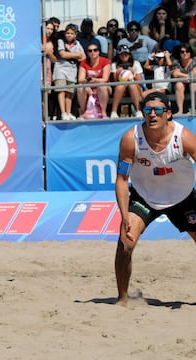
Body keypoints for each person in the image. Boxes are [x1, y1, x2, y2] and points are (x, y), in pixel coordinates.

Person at [114, 91, 196, 306]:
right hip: (145, 197)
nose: (152, 115)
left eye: (158, 110)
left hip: (183, 198)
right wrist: (124, 216)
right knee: (125, 243)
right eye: (147, 110)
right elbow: (122, 179)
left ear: (168, 113)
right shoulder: (131, 139)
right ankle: (122, 298)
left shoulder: (184, 137)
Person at [53, 23, 85, 120]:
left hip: (72, 69)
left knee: (69, 92)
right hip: (61, 68)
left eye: (72, 33)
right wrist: (76, 55)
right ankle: (63, 113)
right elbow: (62, 54)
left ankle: (68, 112)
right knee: (61, 90)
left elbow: (83, 57)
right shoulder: (60, 41)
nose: (69, 35)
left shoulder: (77, 43)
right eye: (67, 33)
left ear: (75, 35)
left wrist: (72, 55)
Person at [77, 41, 111, 119]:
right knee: (80, 87)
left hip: (104, 87)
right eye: (90, 51)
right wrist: (88, 83)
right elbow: (80, 79)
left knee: (102, 86)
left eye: (95, 50)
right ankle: (82, 112)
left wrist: (94, 80)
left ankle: (104, 113)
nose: (93, 52)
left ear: (98, 52)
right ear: (87, 53)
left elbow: (105, 79)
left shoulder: (105, 61)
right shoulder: (84, 62)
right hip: (89, 86)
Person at [110, 45, 144, 119]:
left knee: (132, 85)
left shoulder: (136, 63)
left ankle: (138, 111)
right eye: (122, 54)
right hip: (121, 87)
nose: (124, 56)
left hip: (134, 86)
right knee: (120, 86)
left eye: (126, 54)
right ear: (119, 55)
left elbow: (139, 81)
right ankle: (114, 112)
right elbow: (114, 81)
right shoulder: (114, 65)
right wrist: (117, 74)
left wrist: (133, 73)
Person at [171, 42, 196, 115]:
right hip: (182, 82)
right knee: (179, 84)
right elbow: (175, 74)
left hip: (192, 82)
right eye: (182, 52)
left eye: (187, 51)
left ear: (190, 52)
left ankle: (193, 108)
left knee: (193, 84)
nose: (185, 53)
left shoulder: (195, 60)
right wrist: (187, 76)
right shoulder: (176, 62)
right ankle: (180, 111)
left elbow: (194, 74)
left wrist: (181, 75)